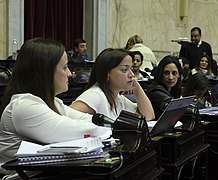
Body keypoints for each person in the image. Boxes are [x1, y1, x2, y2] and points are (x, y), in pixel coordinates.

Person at [0, 38, 107, 176]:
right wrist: (114, 128)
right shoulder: (24, 106)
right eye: (65, 67)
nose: (70, 73)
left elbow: (87, 120)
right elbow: (74, 130)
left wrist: (107, 126)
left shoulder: (53, 102)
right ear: (44, 72)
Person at [69, 48, 155, 121]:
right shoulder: (95, 95)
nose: (131, 74)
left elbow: (148, 116)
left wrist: (136, 87)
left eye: (131, 69)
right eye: (124, 70)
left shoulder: (118, 98)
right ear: (107, 73)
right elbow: (67, 118)